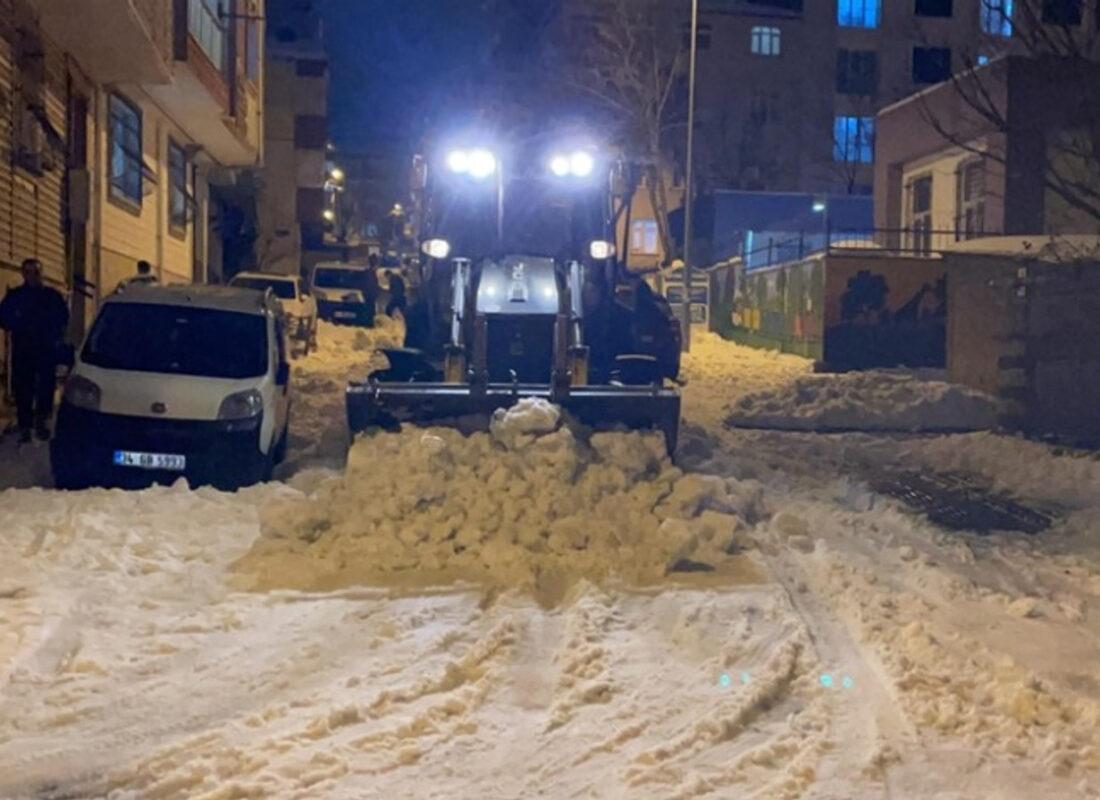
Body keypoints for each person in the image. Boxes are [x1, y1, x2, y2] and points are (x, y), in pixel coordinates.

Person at [0, 259, 69, 442]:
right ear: (23, 274)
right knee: (23, 388)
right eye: (28, 272)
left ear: (41, 273)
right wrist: (16, 322)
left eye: (36, 272)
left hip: (46, 349)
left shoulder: (52, 297)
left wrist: (54, 336)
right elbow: (4, 318)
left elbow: (63, 318)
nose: (32, 276)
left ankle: (42, 421)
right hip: (23, 350)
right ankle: (25, 424)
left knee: (45, 386)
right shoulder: (16, 296)